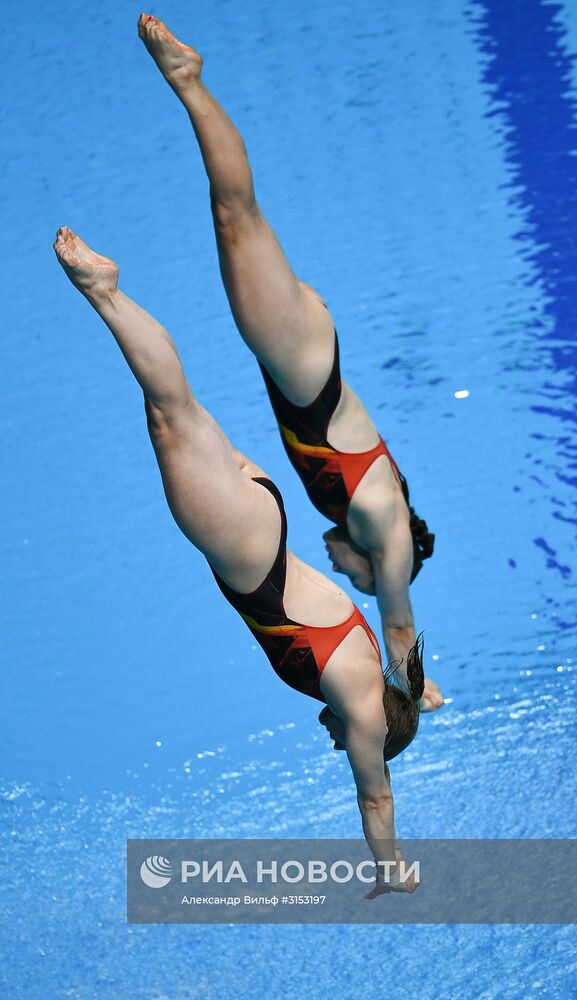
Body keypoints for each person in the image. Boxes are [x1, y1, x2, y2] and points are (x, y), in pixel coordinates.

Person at [53, 226, 419, 897]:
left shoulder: (370, 676)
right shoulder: (366, 710)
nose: (336, 743)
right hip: (247, 548)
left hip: (259, 524)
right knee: (170, 411)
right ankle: (104, 291)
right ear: (377, 733)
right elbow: (376, 798)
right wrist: (389, 869)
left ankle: (107, 295)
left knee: (175, 413)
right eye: (350, 747)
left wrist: (418, 690)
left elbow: (400, 657)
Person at [137, 14, 444, 712]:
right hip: (303, 367)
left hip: (298, 362)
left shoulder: (371, 518)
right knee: (236, 213)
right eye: (356, 580)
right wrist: (407, 692)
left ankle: (190, 85)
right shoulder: (390, 540)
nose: (342, 575)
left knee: (235, 218)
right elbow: (397, 618)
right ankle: (189, 80)